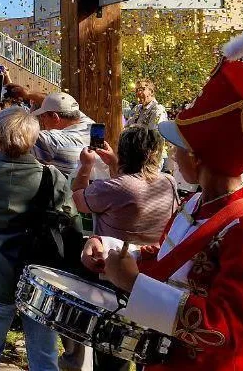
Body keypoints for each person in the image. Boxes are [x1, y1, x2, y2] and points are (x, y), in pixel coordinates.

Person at [82, 47, 243, 371]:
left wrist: (133, 284)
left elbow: (230, 331)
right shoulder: (195, 203)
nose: (171, 153)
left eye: (177, 146)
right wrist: (109, 247)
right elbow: (164, 256)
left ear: (196, 158)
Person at [0, 103, 71, 371]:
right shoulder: (53, 177)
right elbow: (70, 222)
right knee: (44, 358)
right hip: (41, 283)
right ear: (34, 139)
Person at [71, 126, 180, 371]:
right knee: (144, 349)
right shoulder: (169, 182)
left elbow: (79, 199)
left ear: (125, 153)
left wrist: (86, 166)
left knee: (112, 351)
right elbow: (128, 190)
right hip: (148, 275)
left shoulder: (116, 187)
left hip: (112, 276)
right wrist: (114, 164)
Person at [31, 91, 95, 179]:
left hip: (71, 191)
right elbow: (62, 104)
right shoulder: (90, 125)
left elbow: (12, 134)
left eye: (43, 116)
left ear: (55, 117)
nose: (41, 119)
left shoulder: (53, 141)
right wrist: (27, 94)